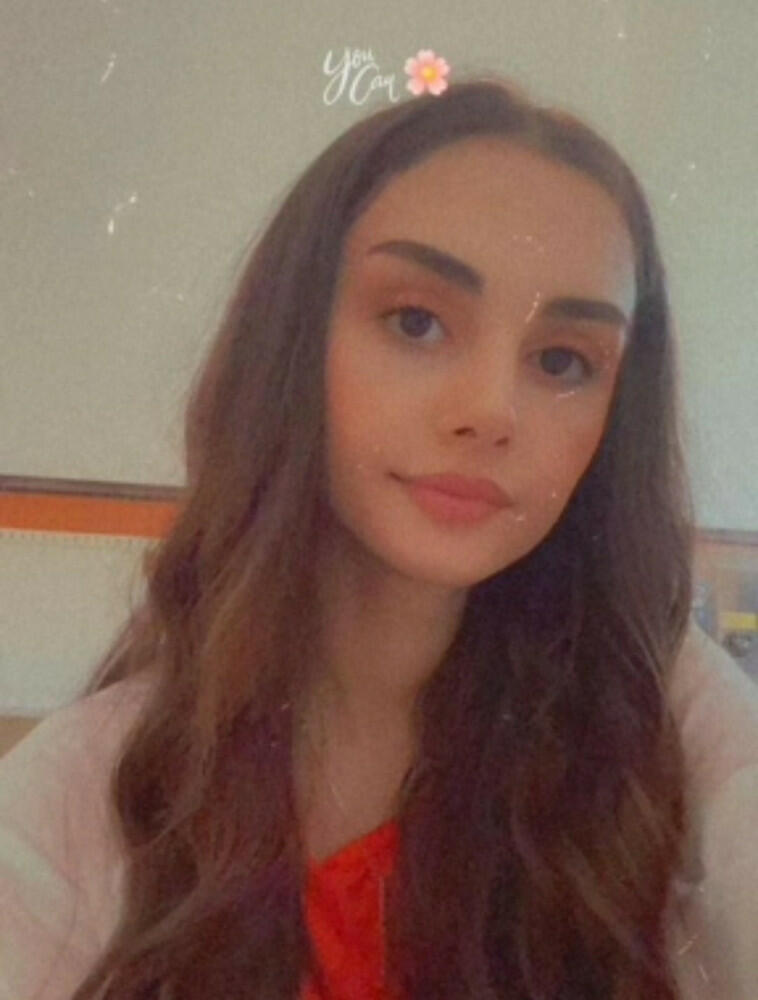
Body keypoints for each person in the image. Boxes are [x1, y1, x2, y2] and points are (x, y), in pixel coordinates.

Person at [1, 75, 758, 1000]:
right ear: (292, 344)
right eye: (416, 321)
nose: (490, 409)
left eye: (563, 361)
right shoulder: (80, 801)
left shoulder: (664, 724)